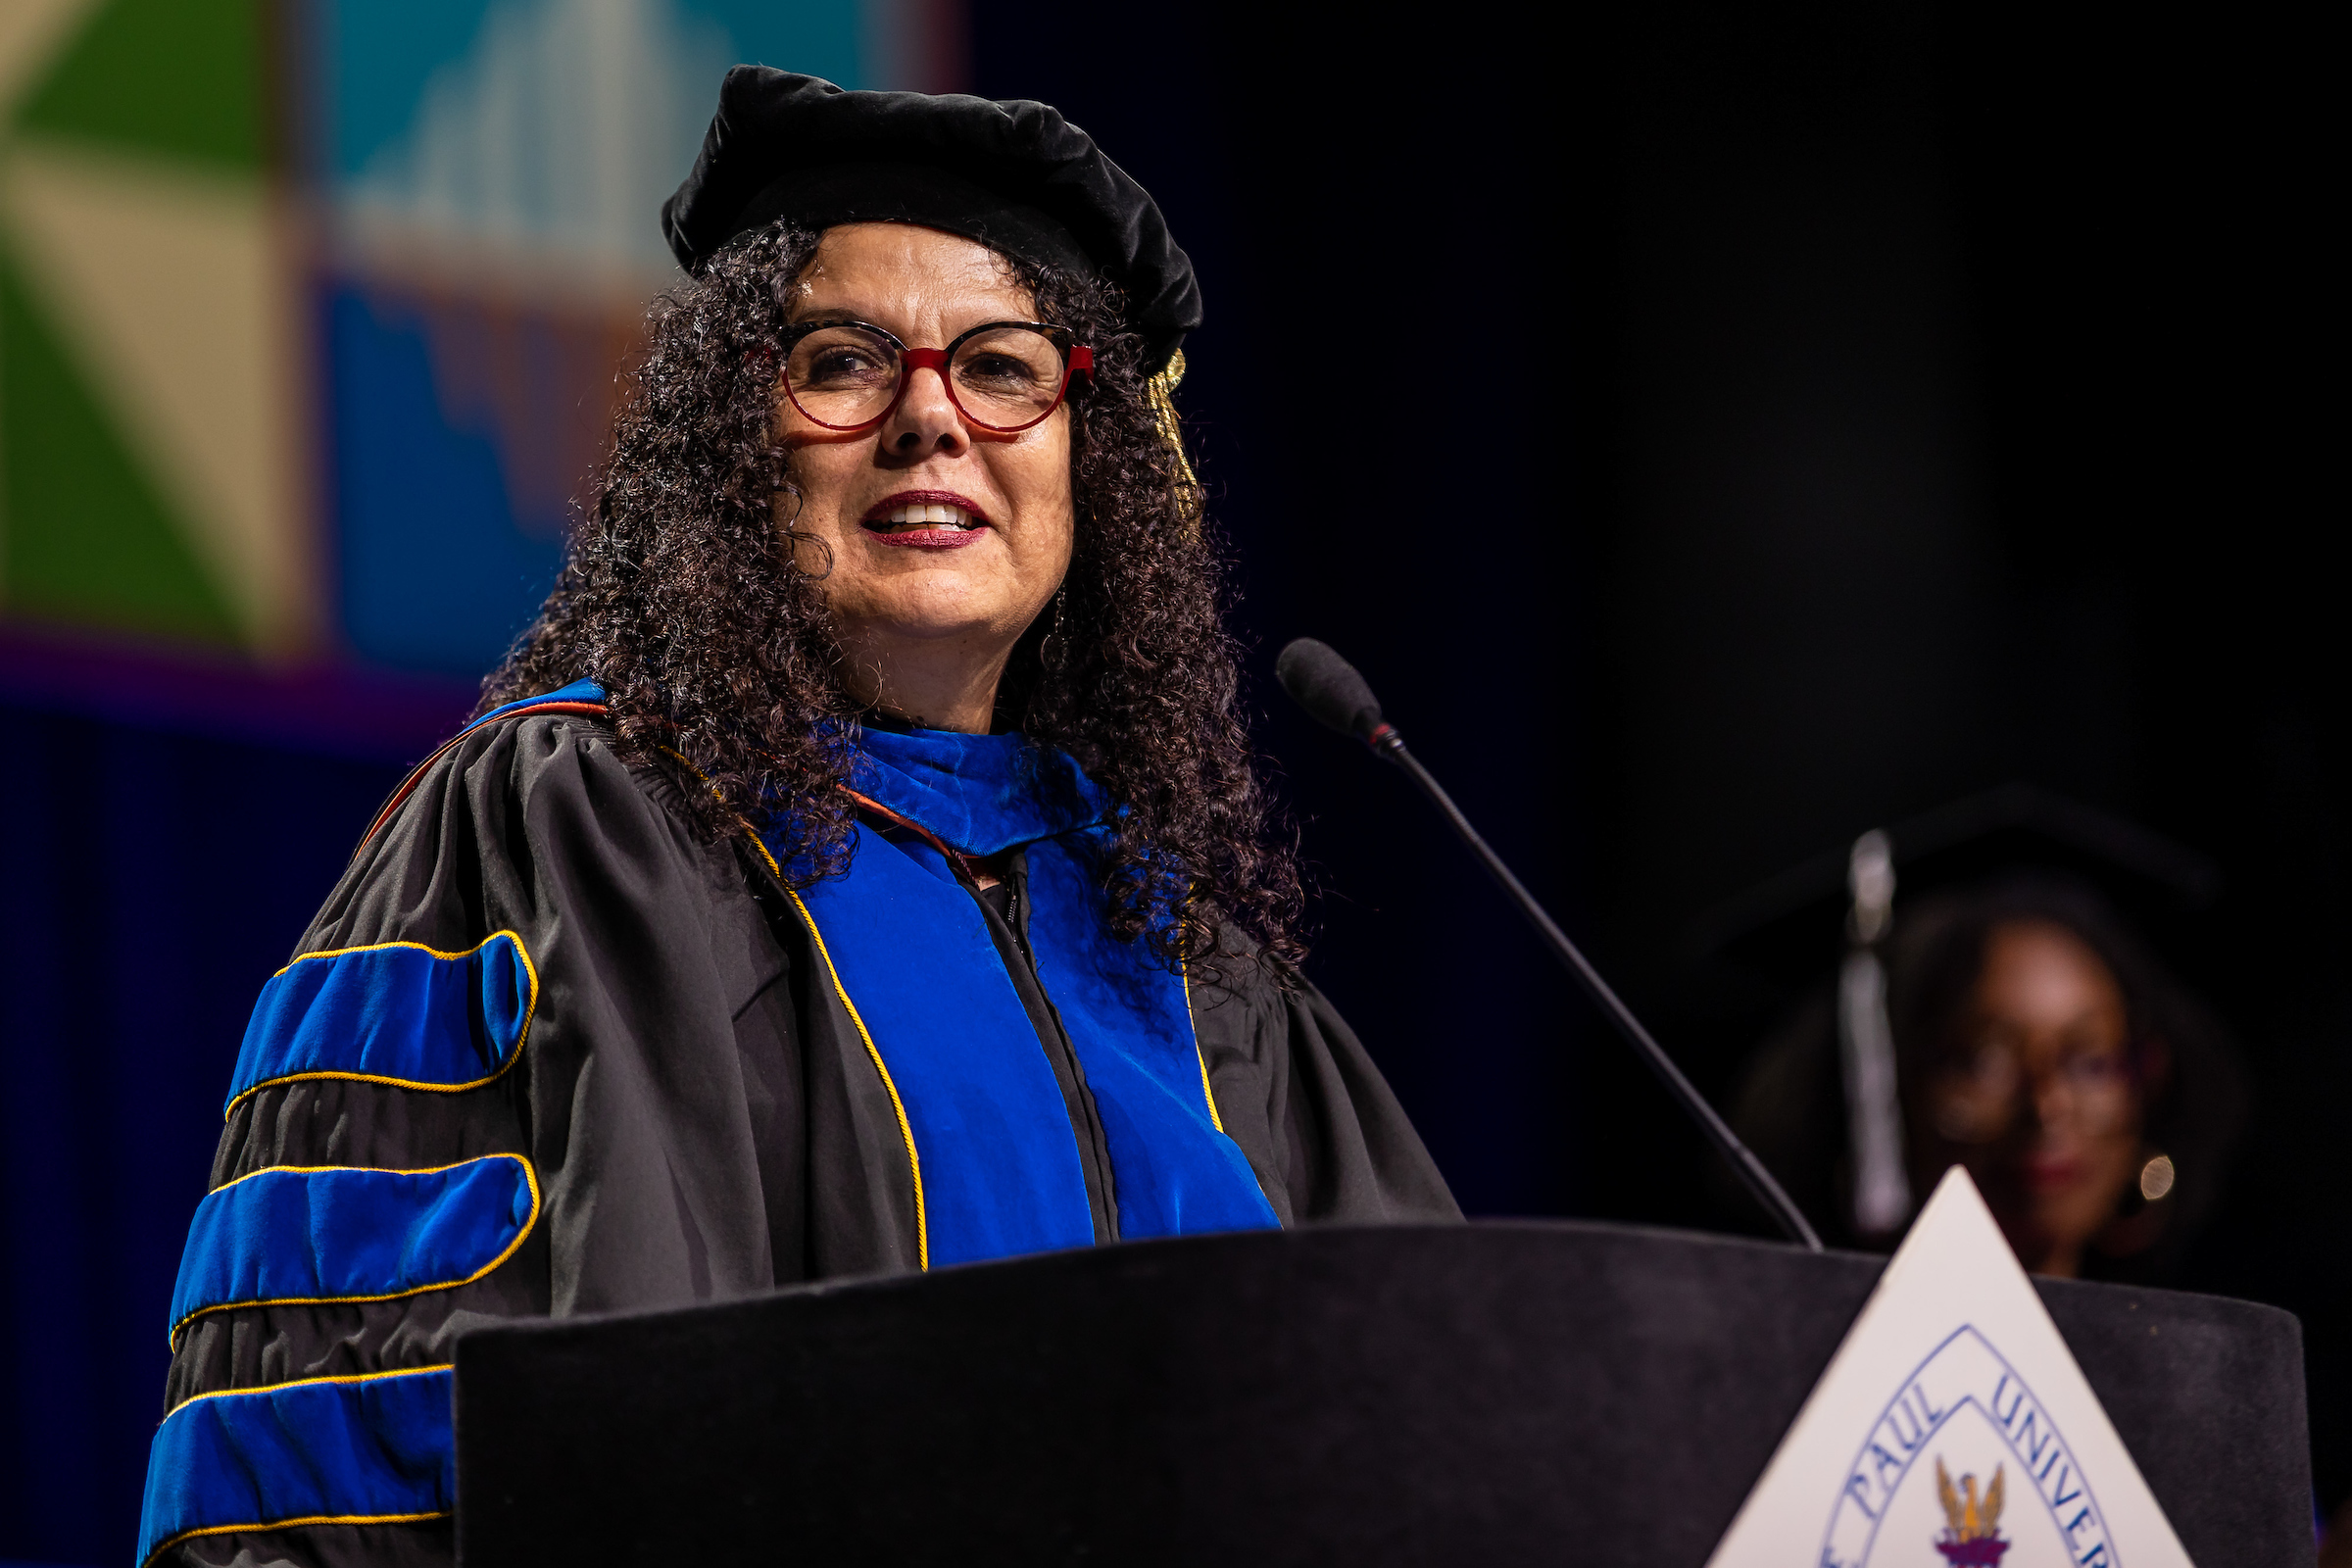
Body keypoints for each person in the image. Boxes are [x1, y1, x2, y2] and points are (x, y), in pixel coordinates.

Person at [136, 71, 1457, 1568]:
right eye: (842, 362)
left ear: (1089, 457)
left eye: (1006, 369)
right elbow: (346, 1451)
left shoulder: (1187, 950)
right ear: (724, 443)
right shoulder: (577, 827)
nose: (930, 422)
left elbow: (1435, 1418)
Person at [1719, 790, 2244, 1281]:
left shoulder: (2193, 1368)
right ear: (1882, 1089)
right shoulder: (1795, 1366)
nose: (2046, 1106)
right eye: (1978, 1063)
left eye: (2091, 1063)